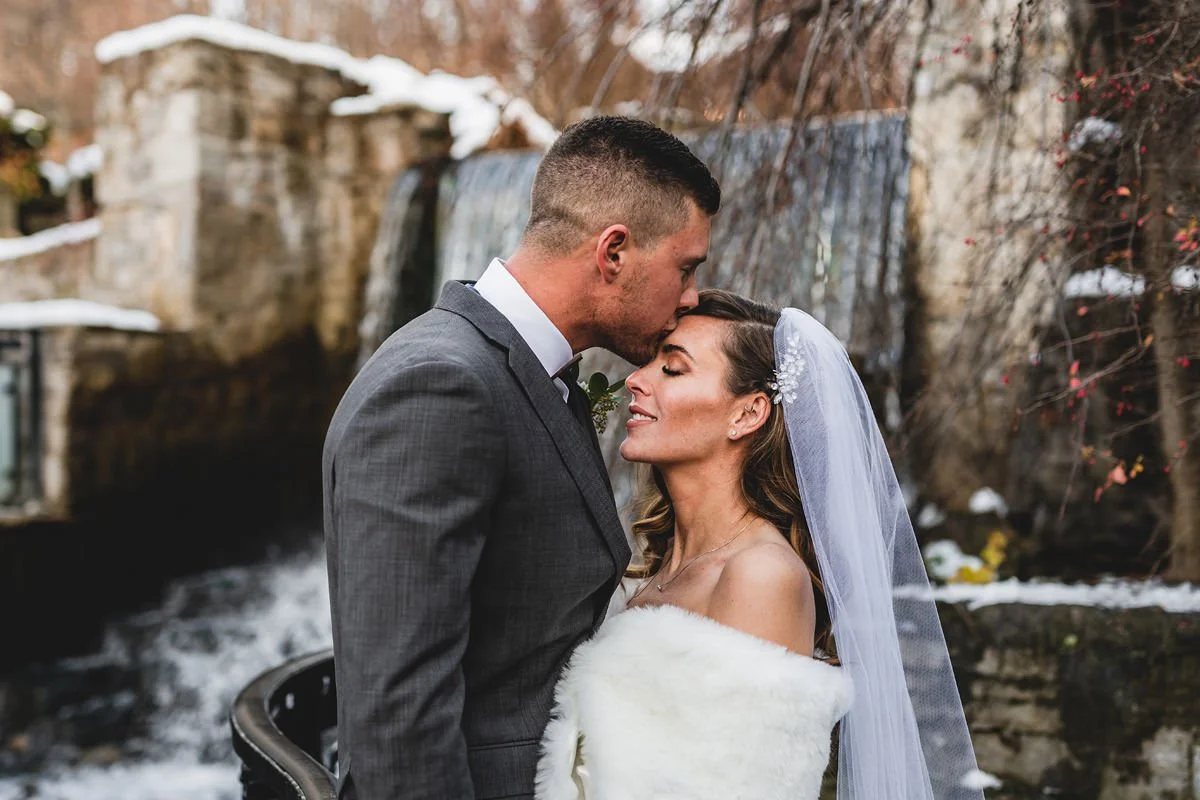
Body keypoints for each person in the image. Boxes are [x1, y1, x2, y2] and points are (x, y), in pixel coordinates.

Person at [321, 115, 720, 800]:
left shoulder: (531, 373)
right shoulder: (440, 386)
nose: (690, 298)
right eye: (686, 268)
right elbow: (398, 719)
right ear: (613, 252)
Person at [536, 290, 983, 800]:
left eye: (673, 369)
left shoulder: (761, 576)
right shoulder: (646, 567)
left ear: (747, 414)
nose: (636, 380)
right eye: (651, 363)